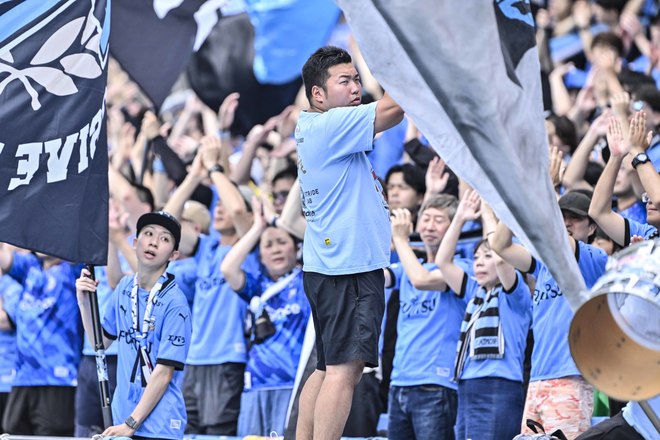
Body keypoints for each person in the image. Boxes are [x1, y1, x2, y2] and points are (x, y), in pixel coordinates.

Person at [294, 45, 404, 440]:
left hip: (331, 265)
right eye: (345, 81)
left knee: (327, 368)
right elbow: (396, 107)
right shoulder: (332, 125)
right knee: (344, 371)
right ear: (318, 94)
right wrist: (397, 55)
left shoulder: (315, 126)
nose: (356, 87)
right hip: (349, 268)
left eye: (357, 79)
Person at [490, 191, 608, 439]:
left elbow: (560, 242)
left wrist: (543, 192)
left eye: (575, 218)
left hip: (571, 377)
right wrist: (515, 198)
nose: (566, 222)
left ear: (592, 227)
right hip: (538, 378)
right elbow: (500, 246)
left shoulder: (595, 257)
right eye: (562, 216)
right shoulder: (543, 264)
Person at [75, 211, 192, 438]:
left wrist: (131, 423)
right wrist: (83, 302)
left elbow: (164, 373)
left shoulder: (175, 303)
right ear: (136, 243)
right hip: (123, 419)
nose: (153, 242)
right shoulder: (124, 288)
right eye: (148, 234)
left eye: (164, 239)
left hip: (160, 426)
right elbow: (100, 343)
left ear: (174, 255)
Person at [436, 191, 532, 440]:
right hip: (467, 383)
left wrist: (489, 213)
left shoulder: (516, 294)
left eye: (486, 256)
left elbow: (502, 260)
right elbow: (443, 262)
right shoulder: (475, 291)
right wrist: (459, 218)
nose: (478, 262)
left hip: (498, 385)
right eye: (476, 257)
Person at [221, 198, 310, 436]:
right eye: (268, 245)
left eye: (282, 242)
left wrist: (278, 221)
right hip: (256, 384)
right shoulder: (257, 286)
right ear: (260, 255)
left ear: (296, 248)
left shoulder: (307, 281)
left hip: (294, 384)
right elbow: (228, 268)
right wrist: (257, 228)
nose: (276, 249)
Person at [385, 195, 471, 440]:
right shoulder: (405, 268)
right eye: (426, 219)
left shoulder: (462, 268)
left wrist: (400, 239)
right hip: (399, 382)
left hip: (436, 384)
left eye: (439, 220)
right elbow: (373, 277)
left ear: (454, 228)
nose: (430, 226)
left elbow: (421, 280)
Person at [0, 247, 82, 436]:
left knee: (52, 434)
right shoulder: (30, 267)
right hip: (23, 376)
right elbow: (4, 258)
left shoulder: (73, 270)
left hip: (59, 378)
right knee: (12, 431)